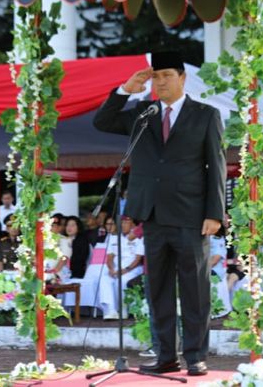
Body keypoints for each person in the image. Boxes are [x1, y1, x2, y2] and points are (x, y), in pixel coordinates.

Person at [93, 51, 226, 376]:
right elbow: (103, 121)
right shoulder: (143, 112)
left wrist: (215, 213)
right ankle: (166, 355)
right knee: (159, 290)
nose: (160, 82)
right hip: (151, 216)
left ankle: (195, 356)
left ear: (182, 78)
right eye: (156, 76)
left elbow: (216, 166)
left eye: (166, 75)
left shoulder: (205, 114)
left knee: (195, 289)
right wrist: (126, 89)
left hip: (191, 216)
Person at [99, 217, 144, 320]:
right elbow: (110, 257)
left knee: (122, 280)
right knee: (104, 279)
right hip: (116, 268)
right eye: (122, 222)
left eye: (126, 222)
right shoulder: (115, 238)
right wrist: (111, 269)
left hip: (132, 269)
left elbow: (138, 259)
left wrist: (125, 270)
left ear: (133, 224)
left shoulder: (138, 238)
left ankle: (123, 310)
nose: (123, 225)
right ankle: (111, 311)